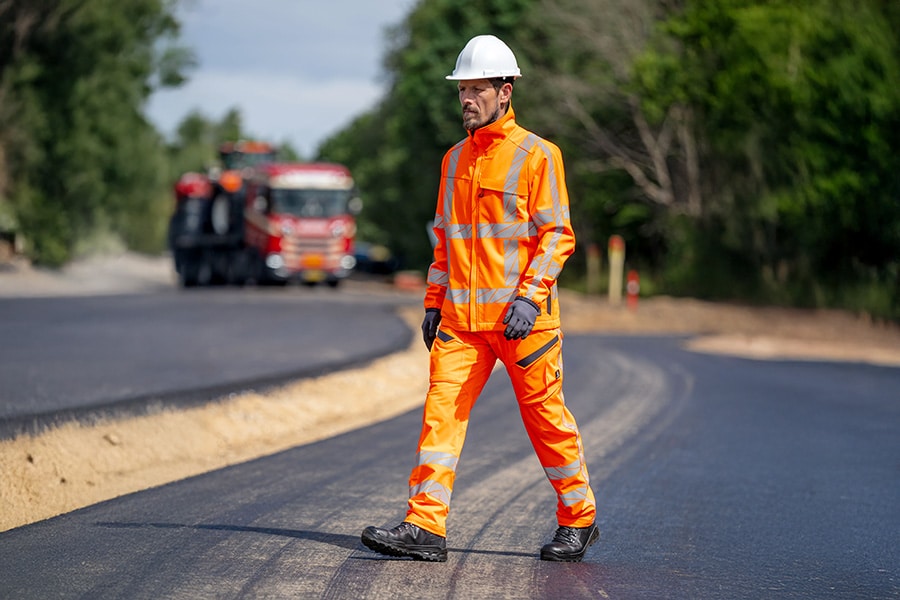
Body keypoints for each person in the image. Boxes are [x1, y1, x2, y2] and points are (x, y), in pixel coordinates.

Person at [361, 34, 598, 563]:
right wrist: (432, 301)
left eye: (477, 89)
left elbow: (557, 235)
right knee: (438, 416)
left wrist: (531, 299)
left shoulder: (538, 156)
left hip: (522, 323)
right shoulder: (452, 161)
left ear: (505, 92)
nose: (467, 99)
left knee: (546, 420)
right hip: (461, 323)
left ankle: (577, 518)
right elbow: (446, 240)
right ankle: (425, 526)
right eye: (462, 90)